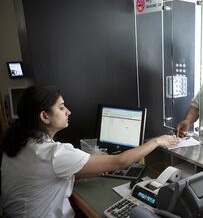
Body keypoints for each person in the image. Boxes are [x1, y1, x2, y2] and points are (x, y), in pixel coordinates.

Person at [0, 85, 180, 218]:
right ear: (44, 116)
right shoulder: (54, 154)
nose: (68, 111)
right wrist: (158, 140)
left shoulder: (19, 144)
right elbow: (121, 161)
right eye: (62, 107)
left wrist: (88, 170)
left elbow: (42, 177)